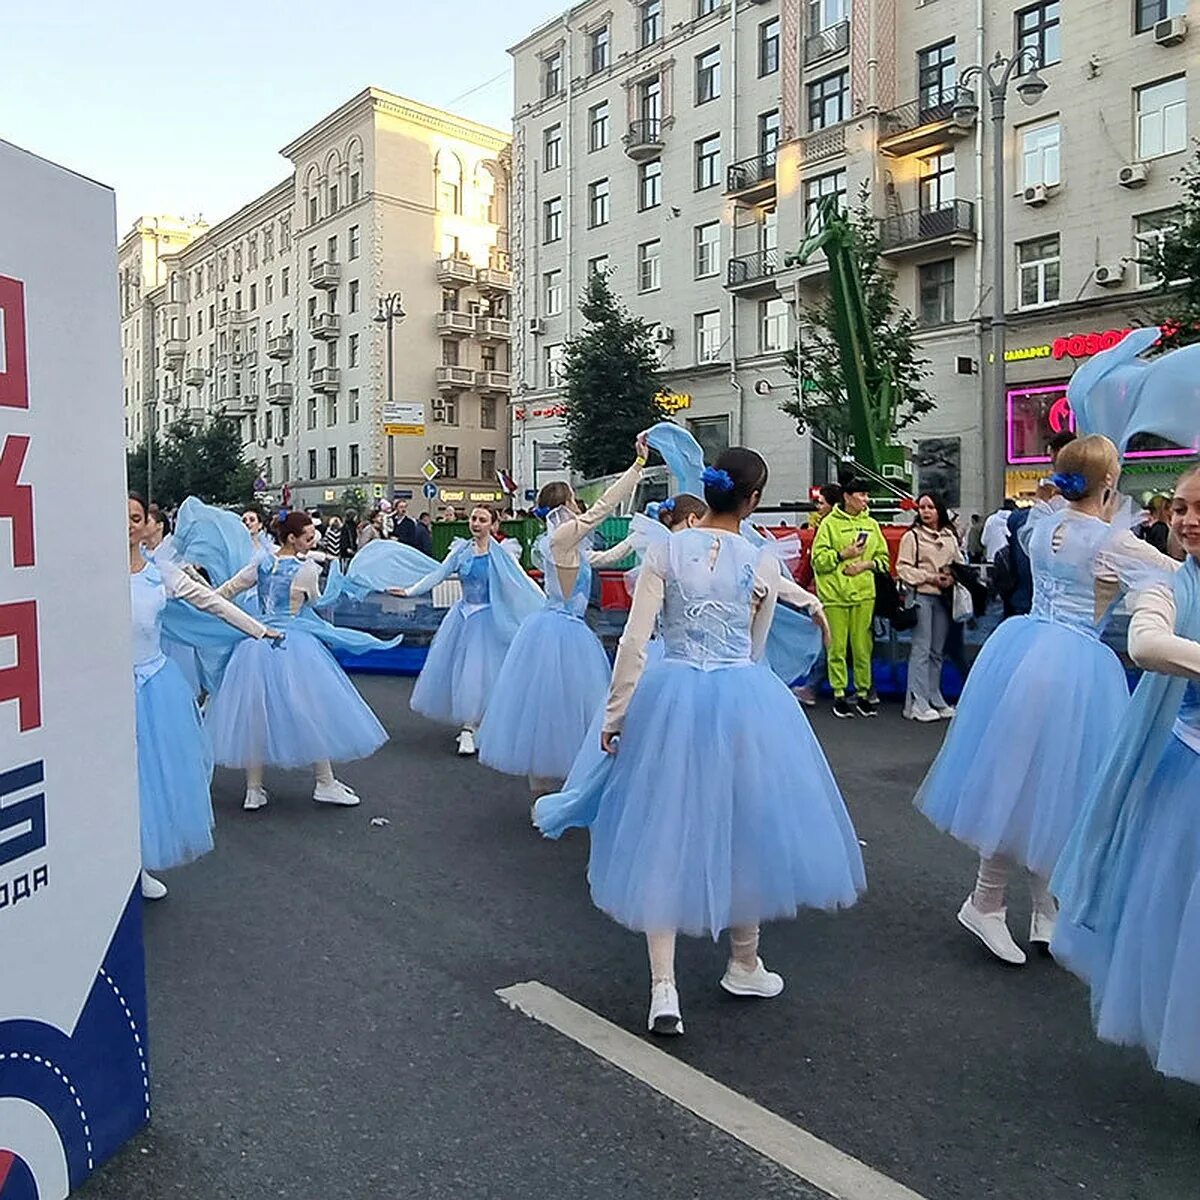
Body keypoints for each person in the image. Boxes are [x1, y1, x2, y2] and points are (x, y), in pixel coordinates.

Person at [576, 448, 862, 1036]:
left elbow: (635, 642)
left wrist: (615, 715)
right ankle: (743, 959)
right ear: (753, 500)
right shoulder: (760, 560)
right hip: (741, 698)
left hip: (671, 692)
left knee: (662, 823)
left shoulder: (665, 549)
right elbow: (756, 647)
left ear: (707, 493)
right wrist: (805, 609)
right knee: (745, 824)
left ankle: (663, 988)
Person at [914, 436, 1144, 966]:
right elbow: (1173, 575)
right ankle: (988, 900)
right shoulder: (1110, 540)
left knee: (1033, 783)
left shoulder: (1042, 525)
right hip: (1073, 667)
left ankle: (1043, 909)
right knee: (1052, 785)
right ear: (1108, 482)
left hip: (1024, 656)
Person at [1052, 464, 1200, 1086]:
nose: (1188, 520)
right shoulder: (1171, 584)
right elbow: (1146, 645)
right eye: (1182, 508)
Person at [127, 494, 281, 900]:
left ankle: (137, 864)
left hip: (152, 688)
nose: (127, 524)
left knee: (149, 778)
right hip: (106, 693)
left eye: (136, 517)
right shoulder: (91, 574)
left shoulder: (161, 574)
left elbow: (211, 602)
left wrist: (257, 629)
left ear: (146, 525)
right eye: (120, 516)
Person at [477, 435, 648, 800]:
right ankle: (546, 792)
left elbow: (603, 559)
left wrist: (638, 537)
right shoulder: (564, 537)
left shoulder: (566, 542)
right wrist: (636, 468)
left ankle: (558, 789)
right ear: (565, 504)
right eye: (572, 498)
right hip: (562, 631)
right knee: (557, 708)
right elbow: (602, 507)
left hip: (561, 629)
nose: (577, 504)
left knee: (561, 708)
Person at [205, 512, 391, 812]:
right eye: (307, 537)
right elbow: (317, 602)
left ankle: (253, 790)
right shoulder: (306, 570)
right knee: (310, 710)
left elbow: (227, 591)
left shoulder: (262, 563)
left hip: (255, 643)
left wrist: (199, 602)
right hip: (292, 645)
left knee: (255, 715)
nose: (313, 540)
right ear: (292, 538)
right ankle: (324, 781)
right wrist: (340, 585)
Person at [390, 506, 543, 756]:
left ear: (493, 525)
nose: (476, 523)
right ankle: (467, 729)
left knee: (487, 675)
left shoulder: (502, 553)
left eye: (483, 520)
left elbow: (521, 581)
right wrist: (409, 591)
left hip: (489, 621)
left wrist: (546, 603)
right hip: (464, 618)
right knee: (467, 674)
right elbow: (438, 574)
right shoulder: (460, 550)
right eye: (473, 518)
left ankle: (482, 725)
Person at [810, 479, 890, 718]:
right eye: (862, 495)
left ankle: (863, 694)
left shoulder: (872, 525)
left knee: (863, 647)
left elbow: (884, 561)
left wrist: (866, 564)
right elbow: (818, 560)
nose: (866, 500)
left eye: (867, 495)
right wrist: (842, 555)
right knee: (837, 647)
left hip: (864, 594)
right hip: (835, 595)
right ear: (847, 496)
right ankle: (839, 694)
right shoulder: (829, 525)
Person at [896, 492, 962, 722]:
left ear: (939, 510)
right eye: (922, 507)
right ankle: (917, 701)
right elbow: (902, 568)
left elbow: (959, 563)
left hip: (943, 598)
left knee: (937, 651)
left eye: (930, 507)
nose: (925, 511)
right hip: (921, 596)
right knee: (921, 649)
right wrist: (929, 577)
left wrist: (951, 577)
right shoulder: (911, 537)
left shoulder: (950, 536)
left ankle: (935, 696)